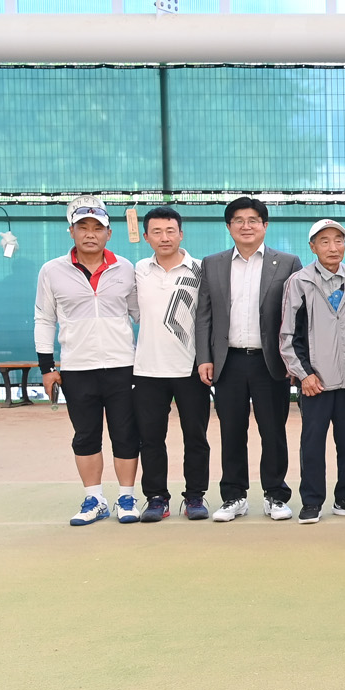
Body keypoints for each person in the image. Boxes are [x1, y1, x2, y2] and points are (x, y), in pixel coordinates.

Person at [35, 195, 141, 526]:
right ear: (71, 231)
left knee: (125, 434)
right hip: (77, 368)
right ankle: (94, 499)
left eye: (98, 227)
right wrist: (47, 368)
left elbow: (140, 314)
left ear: (109, 233)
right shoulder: (52, 271)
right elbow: (44, 319)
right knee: (85, 435)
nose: (90, 234)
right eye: (83, 227)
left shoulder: (126, 268)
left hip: (123, 366)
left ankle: (126, 497)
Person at [195, 196, 301, 522]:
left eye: (253, 220)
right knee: (231, 431)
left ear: (265, 225)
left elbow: (297, 316)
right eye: (238, 220)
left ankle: (275, 495)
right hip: (228, 361)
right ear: (229, 227)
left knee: (273, 430)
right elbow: (204, 315)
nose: (246, 226)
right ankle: (234, 496)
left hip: (271, 362)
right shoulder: (212, 264)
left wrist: (295, 361)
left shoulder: (287, 263)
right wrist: (204, 358)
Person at [280, 219, 345, 523]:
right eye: (325, 241)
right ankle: (311, 501)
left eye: (338, 240)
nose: (333, 247)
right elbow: (288, 335)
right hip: (315, 382)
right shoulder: (299, 282)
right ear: (313, 247)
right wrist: (304, 374)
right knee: (312, 442)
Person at [131, 205, 211, 522]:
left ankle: (195, 496)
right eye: (156, 232)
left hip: (191, 369)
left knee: (196, 437)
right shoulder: (138, 271)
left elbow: (208, 317)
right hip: (147, 370)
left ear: (181, 234)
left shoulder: (200, 270)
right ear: (146, 237)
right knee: (150, 439)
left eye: (170, 231)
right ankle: (156, 498)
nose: (164, 237)